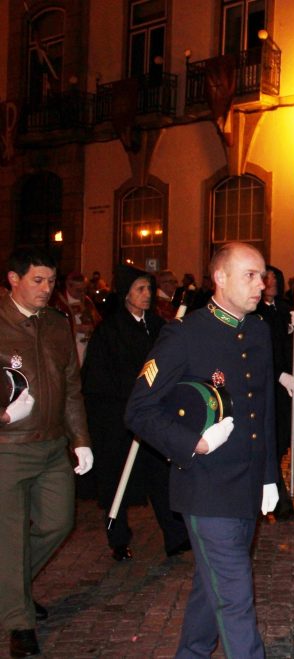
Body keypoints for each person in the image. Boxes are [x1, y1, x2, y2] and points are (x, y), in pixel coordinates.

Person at [125, 242, 279, 658]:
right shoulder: (185, 334)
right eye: (250, 275)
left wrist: (268, 476)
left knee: (212, 587)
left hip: (247, 484)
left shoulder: (259, 331)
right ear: (220, 278)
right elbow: (139, 409)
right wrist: (194, 442)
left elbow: (263, 408)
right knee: (235, 594)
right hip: (206, 487)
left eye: (262, 275)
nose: (261, 284)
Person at [1, 247, 93, 659]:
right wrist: (3, 416)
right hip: (8, 447)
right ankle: (18, 622)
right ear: (13, 279)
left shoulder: (57, 323)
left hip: (53, 444)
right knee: (11, 536)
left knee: (58, 522)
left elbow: (71, 386)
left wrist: (81, 439)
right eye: (37, 280)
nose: (46, 289)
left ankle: (12, 590)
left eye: (51, 281)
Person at [82, 264, 190, 562]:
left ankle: (175, 535)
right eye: (140, 289)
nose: (147, 294)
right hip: (119, 417)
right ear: (125, 294)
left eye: (149, 289)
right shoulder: (110, 331)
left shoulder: (157, 326)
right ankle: (118, 537)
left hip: (154, 415)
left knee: (160, 474)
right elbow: (98, 378)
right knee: (118, 478)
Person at [256, 264, 294, 520]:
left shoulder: (284, 308)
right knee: (269, 441)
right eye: (267, 279)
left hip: (286, 387)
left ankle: (275, 495)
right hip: (268, 383)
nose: (272, 283)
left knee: (280, 443)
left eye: (274, 278)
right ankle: (279, 499)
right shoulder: (256, 312)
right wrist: (278, 374)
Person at [52, 271, 102, 364]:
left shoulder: (87, 301)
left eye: (85, 290)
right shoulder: (57, 303)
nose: (82, 294)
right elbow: (53, 328)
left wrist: (91, 328)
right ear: (68, 286)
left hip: (86, 346)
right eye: (78, 290)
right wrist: (75, 328)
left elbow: (98, 322)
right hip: (67, 348)